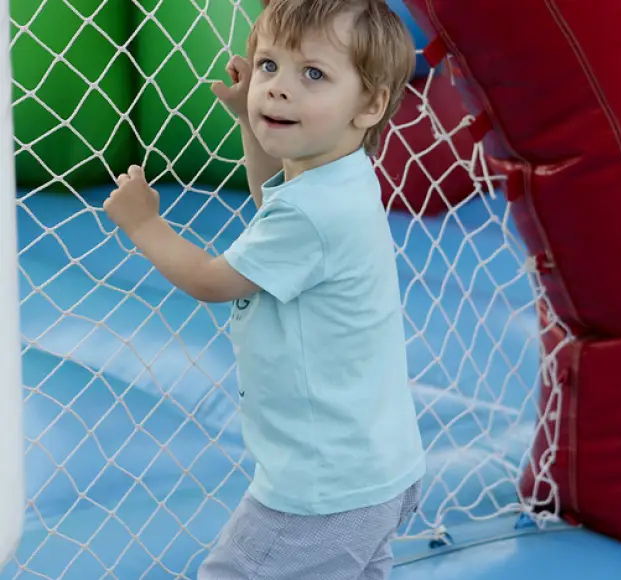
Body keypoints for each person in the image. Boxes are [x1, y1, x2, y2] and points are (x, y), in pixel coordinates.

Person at [102, 0, 426, 578]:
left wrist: (144, 225)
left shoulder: (316, 214)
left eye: (314, 74)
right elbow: (269, 205)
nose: (275, 88)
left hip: (317, 493)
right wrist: (248, 126)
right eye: (269, 65)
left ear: (371, 104)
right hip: (378, 474)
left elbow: (210, 281)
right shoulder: (341, 176)